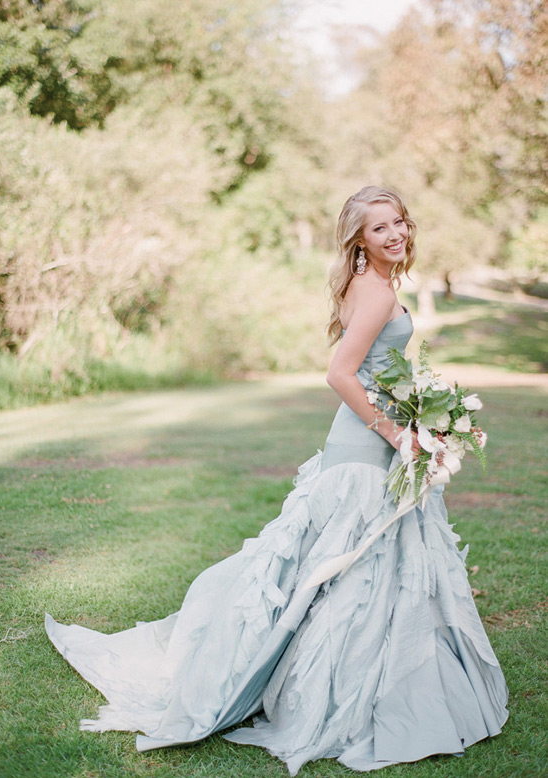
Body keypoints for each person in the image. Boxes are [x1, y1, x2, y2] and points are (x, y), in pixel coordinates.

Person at [45, 186, 508, 774]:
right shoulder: (372, 291)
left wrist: (419, 412)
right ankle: (330, 686)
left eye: (400, 223)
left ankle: (357, 672)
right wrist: (400, 436)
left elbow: (372, 371)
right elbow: (340, 374)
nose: (395, 234)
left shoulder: (372, 285)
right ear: (359, 240)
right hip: (365, 444)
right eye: (380, 228)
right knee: (350, 564)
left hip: (366, 434)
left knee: (349, 565)